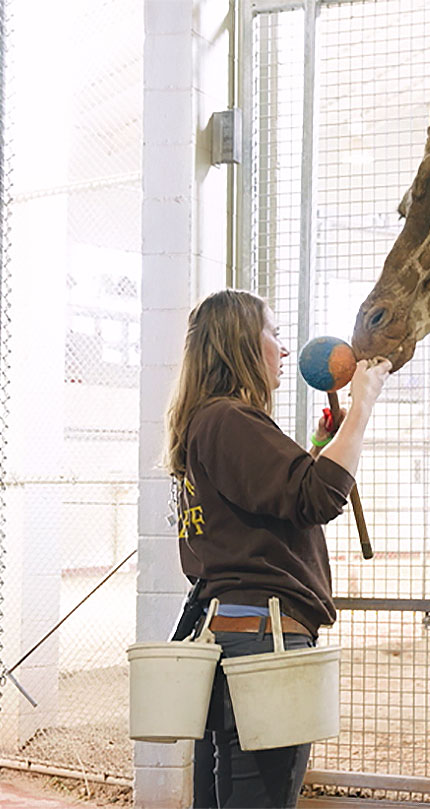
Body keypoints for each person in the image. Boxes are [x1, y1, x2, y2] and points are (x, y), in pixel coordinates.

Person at [163, 289, 391, 808]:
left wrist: (315, 447)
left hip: (228, 638)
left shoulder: (207, 422)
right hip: (264, 642)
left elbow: (267, 504)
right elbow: (318, 496)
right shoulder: (231, 421)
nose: (284, 351)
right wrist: (363, 406)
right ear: (241, 344)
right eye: (275, 334)